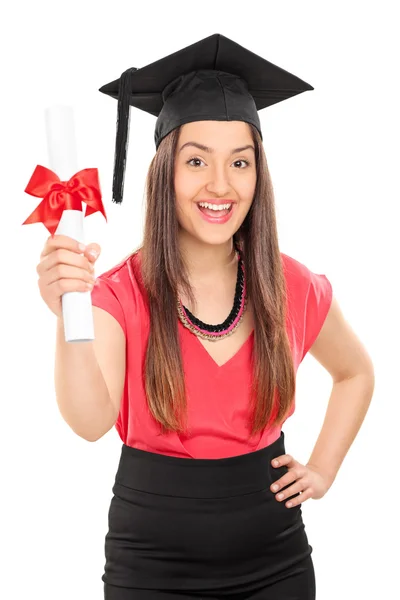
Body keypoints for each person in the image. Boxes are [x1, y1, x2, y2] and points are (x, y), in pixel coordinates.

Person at [37, 34, 374, 600]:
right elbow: (90, 421)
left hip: (277, 562)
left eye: (239, 163)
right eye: (196, 161)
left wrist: (322, 469)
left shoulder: (291, 285)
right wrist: (67, 308)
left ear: (258, 175)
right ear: (164, 171)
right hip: (152, 566)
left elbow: (356, 373)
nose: (220, 185)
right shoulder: (122, 293)